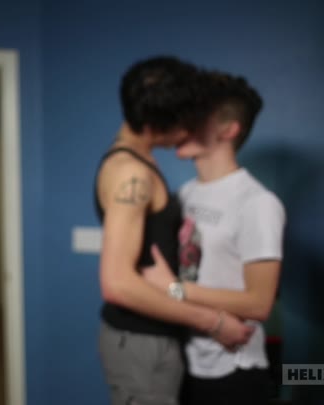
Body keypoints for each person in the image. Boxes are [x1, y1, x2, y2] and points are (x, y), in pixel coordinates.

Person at [95, 56, 255, 405]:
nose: (189, 127)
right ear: (159, 122)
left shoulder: (138, 162)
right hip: (142, 341)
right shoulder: (131, 174)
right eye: (186, 118)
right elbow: (116, 284)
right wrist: (213, 322)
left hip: (153, 338)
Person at [143, 70, 286, 405]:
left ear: (228, 129)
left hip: (232, 370)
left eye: (195, 116)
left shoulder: (257, 203)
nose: (181, 124)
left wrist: (173, 288)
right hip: (182, 361)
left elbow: (260, 303)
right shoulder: (185, 194)